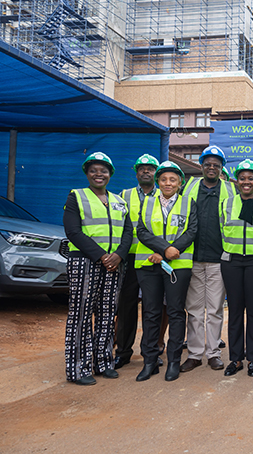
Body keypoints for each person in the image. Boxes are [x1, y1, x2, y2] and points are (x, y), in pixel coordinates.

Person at [63, 152, 132, 385]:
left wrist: (119, 255)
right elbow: (73, 231)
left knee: (106, 314)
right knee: (81, 315)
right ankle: (78, 369)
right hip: (85, 261)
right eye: (94, 170)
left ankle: (103, 363)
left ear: (110, 174)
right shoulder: (77, 197)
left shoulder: (119, 201)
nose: (98, 174)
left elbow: (128, 233)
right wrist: (102, 256)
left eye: (103, 170)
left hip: (113, 264)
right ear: (87, 173)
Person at [135, 161, 198, 382]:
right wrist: (164, 249)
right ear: (157, 182)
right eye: (163, 179)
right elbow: (141, 230)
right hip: (149, 265)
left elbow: (192, 231)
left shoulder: (188, 203)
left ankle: (173, 361)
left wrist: (171, 251)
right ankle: (149, 361)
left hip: (177, 266)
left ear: (180, 182)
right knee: (151, 313)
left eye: (172, 179)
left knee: (175, 312)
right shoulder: (148, 202)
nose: (168, 183)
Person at [180, 146, 234, 373]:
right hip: (192, 258)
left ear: (221, 168)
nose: (212, 167)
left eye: (216, 164)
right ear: (202, 166)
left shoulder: (230, 190)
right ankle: (194, 354)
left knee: (214, 309)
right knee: (193, 309)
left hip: (217, 258)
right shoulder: (190, 186)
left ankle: (213, 353)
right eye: (208, 164)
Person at [220, 159, 253, 377]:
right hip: (231, 263)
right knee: (234, 312)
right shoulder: (226, 204)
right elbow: (219, 232)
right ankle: (235, 359)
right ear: (237, 181)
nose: (246, 182)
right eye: (242, 178)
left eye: (251, 178)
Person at [114, 154, 159, 370]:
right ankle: (123, 352)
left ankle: (151, 351)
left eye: (150, 168)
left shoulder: (166, 195)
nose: (146, 171)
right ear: (136, 172)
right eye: (142, 168)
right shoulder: (124, 195)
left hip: (154, 258)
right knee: (126, 306)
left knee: (152, 308)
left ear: (156, 173)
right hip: (130, 258)